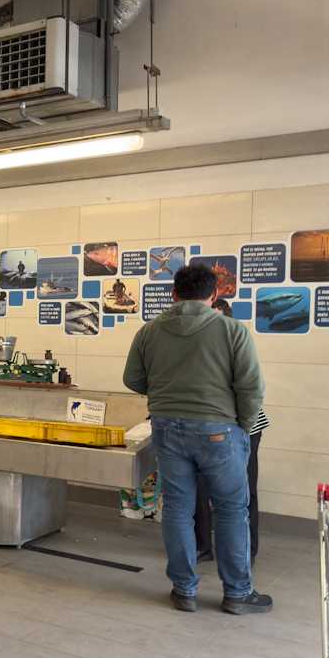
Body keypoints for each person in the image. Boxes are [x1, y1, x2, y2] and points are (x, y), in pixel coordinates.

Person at [123, 264, 270, 615]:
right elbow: (251, 387)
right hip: (219, 430)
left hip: (166, 427)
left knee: (178, 508)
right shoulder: (232, 330)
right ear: (214, 294)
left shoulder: (149, 331)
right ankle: (237, 594)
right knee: (231, 509)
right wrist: (244, 427)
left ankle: (184, 590)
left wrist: (164, 394)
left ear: (174, 294)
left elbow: (133, 379)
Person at [195, 299, 269, 564]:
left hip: (245, 426)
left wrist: (243, 430)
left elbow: (251, 389)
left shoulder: (237, 344)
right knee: (200, 486)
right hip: (211, 426)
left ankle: (248, 548)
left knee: (245, 487)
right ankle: (203, 546)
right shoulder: (201, 347)